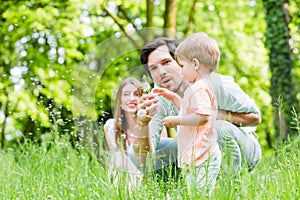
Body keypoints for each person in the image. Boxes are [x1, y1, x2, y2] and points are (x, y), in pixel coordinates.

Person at [137, 36, 262, 175]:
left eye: (166, 62)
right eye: (153, 68)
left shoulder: (216, 85)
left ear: (181, 61)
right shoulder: (158, 98)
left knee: (215, 127)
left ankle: (228, 187)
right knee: (137, 149)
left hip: (244, 150)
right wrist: (143, 123)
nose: (161, 72)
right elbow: (146, 157)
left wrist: (214, 115)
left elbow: (255, 118)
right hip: (199, 155)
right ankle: (182, 191)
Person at [153, 32, 222, 193]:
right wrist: (172, 97)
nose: (181, 71)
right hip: (196, 155)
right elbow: (188, 109)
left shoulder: (200, 88)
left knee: (200, 193)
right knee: (195, 192)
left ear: (195, 64)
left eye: (182, 66)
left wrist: (176, 121)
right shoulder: (198, 87)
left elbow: (203, 117)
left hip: (203, 155)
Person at [103, 77, 159, 186]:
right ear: (120, 99)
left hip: (143, 187)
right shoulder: (110, 127)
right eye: (126, 94)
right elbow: (114, 162)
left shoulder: (153, 126)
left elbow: (151, 164)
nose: (132, 98)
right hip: (118, 187)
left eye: (136, 94)